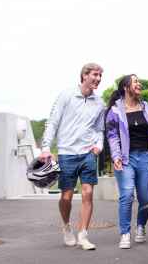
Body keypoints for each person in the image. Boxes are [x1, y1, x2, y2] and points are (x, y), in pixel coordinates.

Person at [40, 63, 105, 250]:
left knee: (88, 192)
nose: (98, 79)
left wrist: (98, 146)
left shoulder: (99, 103)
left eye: (101, 76)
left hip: (88, 154)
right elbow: (52, 122)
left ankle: (83, 234)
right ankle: (67, 226)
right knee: (66, 197)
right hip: (67, 153)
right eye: (95, 75)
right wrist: (46, 147)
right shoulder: (66, 96)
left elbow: (99, 130)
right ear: (84, 75)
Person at [105, 74, 148, 249]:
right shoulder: (115, 111)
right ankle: (125, 233)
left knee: (145, 197)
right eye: (135, 81)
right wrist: (116, 156)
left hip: (145, 157)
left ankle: (141, 226)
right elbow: (112, 136)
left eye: (139, 81)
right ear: (126, 87)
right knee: (126, 195)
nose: (139, 84)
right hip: (125, 159)